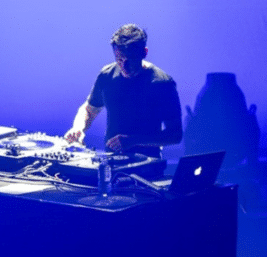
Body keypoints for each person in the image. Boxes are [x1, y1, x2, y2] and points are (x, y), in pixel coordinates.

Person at [64, 24, 182, 158]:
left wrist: (133, 140)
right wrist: (78, 128)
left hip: (148, 167)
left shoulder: (162, 83)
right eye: (119, 59)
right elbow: (89, 110)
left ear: (144, 52)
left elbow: (175, 135)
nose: (124, 66)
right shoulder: (106, 75)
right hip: (112, 164)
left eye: (130, 60)